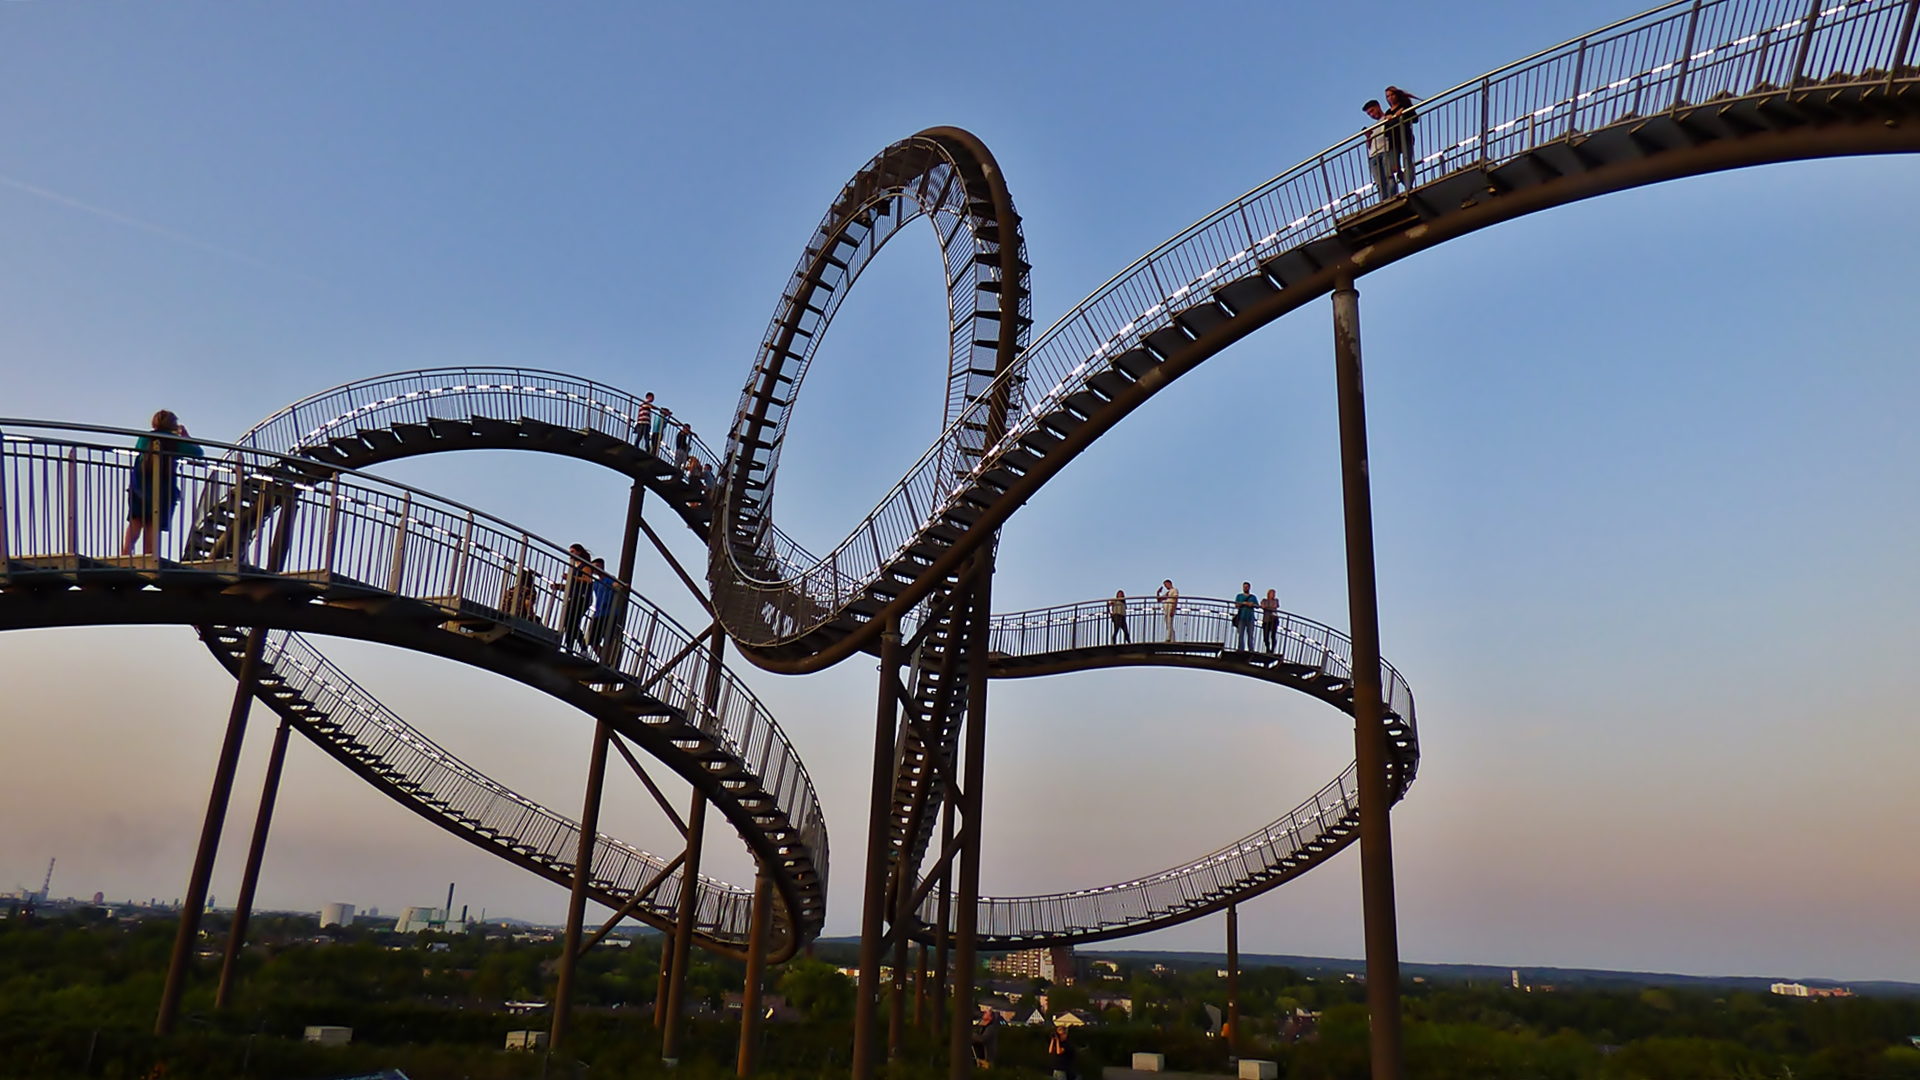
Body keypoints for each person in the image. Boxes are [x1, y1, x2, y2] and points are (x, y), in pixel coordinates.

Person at [121, 410, 205, 557]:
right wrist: (185, 436)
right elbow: (198, 452)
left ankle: (125, 553)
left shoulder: (145, 437)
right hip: (162, 489)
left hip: (140, 486)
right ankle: (149, 557)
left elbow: (137, 450)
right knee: (152, 524)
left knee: (135, 521)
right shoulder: (175, 441)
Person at [559, 543, 594, 652]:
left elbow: (587, 580)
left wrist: (571, 577)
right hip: (575, 596)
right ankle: (570, 648)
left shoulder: (585, 566)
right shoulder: (575, 567)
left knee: (571, 622)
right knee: (568, 623)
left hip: (582, 597)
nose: (570, 555)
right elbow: (573, 584)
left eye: (573, 552)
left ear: (579, 552)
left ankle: (582, 648)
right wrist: (559, 586)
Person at [1386, 85, 1420, 192]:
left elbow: (1415, 119)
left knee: (1408, 161)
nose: (1390, 98)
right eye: (1388, 96)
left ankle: (1409, 187)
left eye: (1392, 95)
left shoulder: (1404, 105)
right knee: (1394, 167)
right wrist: (1388, 120)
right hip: (1393, 142)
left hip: (1405, 137)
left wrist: (1403, 113)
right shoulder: (1388, 112)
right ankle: (1407, 184)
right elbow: (1386, 131)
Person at [1363, 99, 1397, 201]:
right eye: (1369, 114)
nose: (1371, 115)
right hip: (1373, 156)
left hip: (1385, 151)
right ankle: (1384, 200)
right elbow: (1370, 145)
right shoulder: (1373, 127)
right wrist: (1368, 137)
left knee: (1389, 177)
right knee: (1379, 183)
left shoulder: (1387, 119)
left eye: (1372, 111)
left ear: (1378, 106)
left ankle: (1392, 198)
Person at [587, 557, 619, 653]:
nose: (595, 569)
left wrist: (620, 586)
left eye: (597, 566)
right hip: (599, 613)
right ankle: (603, 659)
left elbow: (616, 584)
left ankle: (606, 660)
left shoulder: (608, 579)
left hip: (610, 612)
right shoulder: (596, 583)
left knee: (608, 639)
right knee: (593, 641)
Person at [1233, 582, 1259, 652]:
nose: (1245, 588)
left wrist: (1252, 604)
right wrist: (1243, 603)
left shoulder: (1253, 597)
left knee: (1250, 634)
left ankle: (1251, 649)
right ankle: (1241, 648)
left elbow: (1257, 606)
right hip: (1242, 617)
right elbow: (1236, 605)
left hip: (1250, 617)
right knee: (1241, 634)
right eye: (1244, 587)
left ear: (1249, 588)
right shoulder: (1239, 596)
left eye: (1247, 587)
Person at [1261, 587, 1281, 653]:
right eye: (1272, 594)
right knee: (1265, 637)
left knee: (1273, 635)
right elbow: (1262, 606)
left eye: (1274, 594)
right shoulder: (1264, 600)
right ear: (1268, 594)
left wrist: (1267, 607)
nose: (1274, 595)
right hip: (1266, 620)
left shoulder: (1276, 600)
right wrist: (1270, 607)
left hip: (1273, 620)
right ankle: (1268, 648)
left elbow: (1275, 606)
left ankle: (1272, 649)